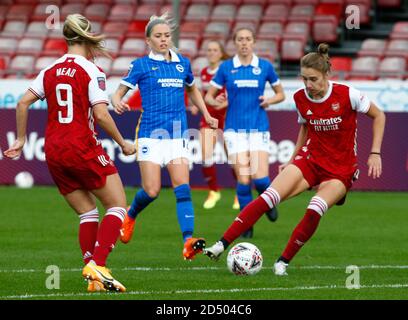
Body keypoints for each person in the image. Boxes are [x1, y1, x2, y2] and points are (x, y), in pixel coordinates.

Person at [204, 43, 386, 275]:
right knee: (268, 196)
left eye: (313, 79)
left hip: (340, 170)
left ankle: (282, 262)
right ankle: (221, 245)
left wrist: (375, 153)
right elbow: (305, 128)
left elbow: (379, 115)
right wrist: (292, 160)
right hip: (310, 161)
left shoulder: (347, 94)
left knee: (314, 207)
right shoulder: (301, 97)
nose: (308, 85)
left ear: (326, 75)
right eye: (304, 79)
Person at [4, 14, 136, 292]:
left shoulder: (50, 69)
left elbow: (22, 103)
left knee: (87, 213)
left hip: (53, 150)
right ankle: (97, 264)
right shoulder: (91, 70)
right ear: (88, 39)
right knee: (118, 205)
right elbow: (100, 114)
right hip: (81, 146)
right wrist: (123, 142)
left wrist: (21, 139)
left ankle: (94, 280)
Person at [111, 13, 218, 260]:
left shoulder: (182, 63)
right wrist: (117, 102)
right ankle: (131, 214)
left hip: (177, 135)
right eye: (158, 36)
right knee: (152, 191)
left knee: (183, 186)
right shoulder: (141, 65)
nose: (163, 40)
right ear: (148, 40)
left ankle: (188, 240)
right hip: (150, 134)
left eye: (166, 35)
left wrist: (207, 114)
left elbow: (193, 90)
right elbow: (118, 93)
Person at [205, 28, 285, 238]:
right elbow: (208, 98)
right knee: (243, 178)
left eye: (248, 39)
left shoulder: (265, 67)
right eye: (240, 39)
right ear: (235, 43)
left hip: (258, 128)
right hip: (234, 129)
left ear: (254, 42)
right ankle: (246, 223)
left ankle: (267, 203)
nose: (244, 43)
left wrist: (270, 100)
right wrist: (216, 102)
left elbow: (281, 94)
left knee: (260, 179)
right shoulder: (226, 67)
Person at [191, 40, 239, 210]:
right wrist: (197, 106)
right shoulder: (204, 72)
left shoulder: (227, 70)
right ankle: (213, 191)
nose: (211, 52)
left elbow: (234, 93)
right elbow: (203, 94)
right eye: (209, 50)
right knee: (205, 156)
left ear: (221, 53)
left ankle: (238, 194)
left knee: (233, 159)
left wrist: (223, 103)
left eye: (215, 50)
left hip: (227, 118)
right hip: (209, 119)